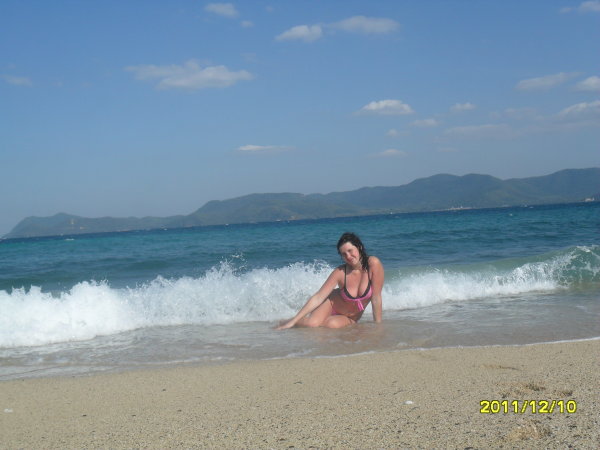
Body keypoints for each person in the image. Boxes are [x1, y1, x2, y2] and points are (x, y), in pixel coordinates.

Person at [277, 232, 384, 329]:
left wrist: (378, 326)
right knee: (312, 324)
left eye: (350, 251)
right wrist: (294, 321)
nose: (348, 256)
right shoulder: (340, 272)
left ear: (359, 247)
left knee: (331, 325)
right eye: (344, 254)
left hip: (351, 317)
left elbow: (376, 298)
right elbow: (318, 297)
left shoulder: (373, 264)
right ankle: (287, 322)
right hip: (331, 304)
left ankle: (309, 322)